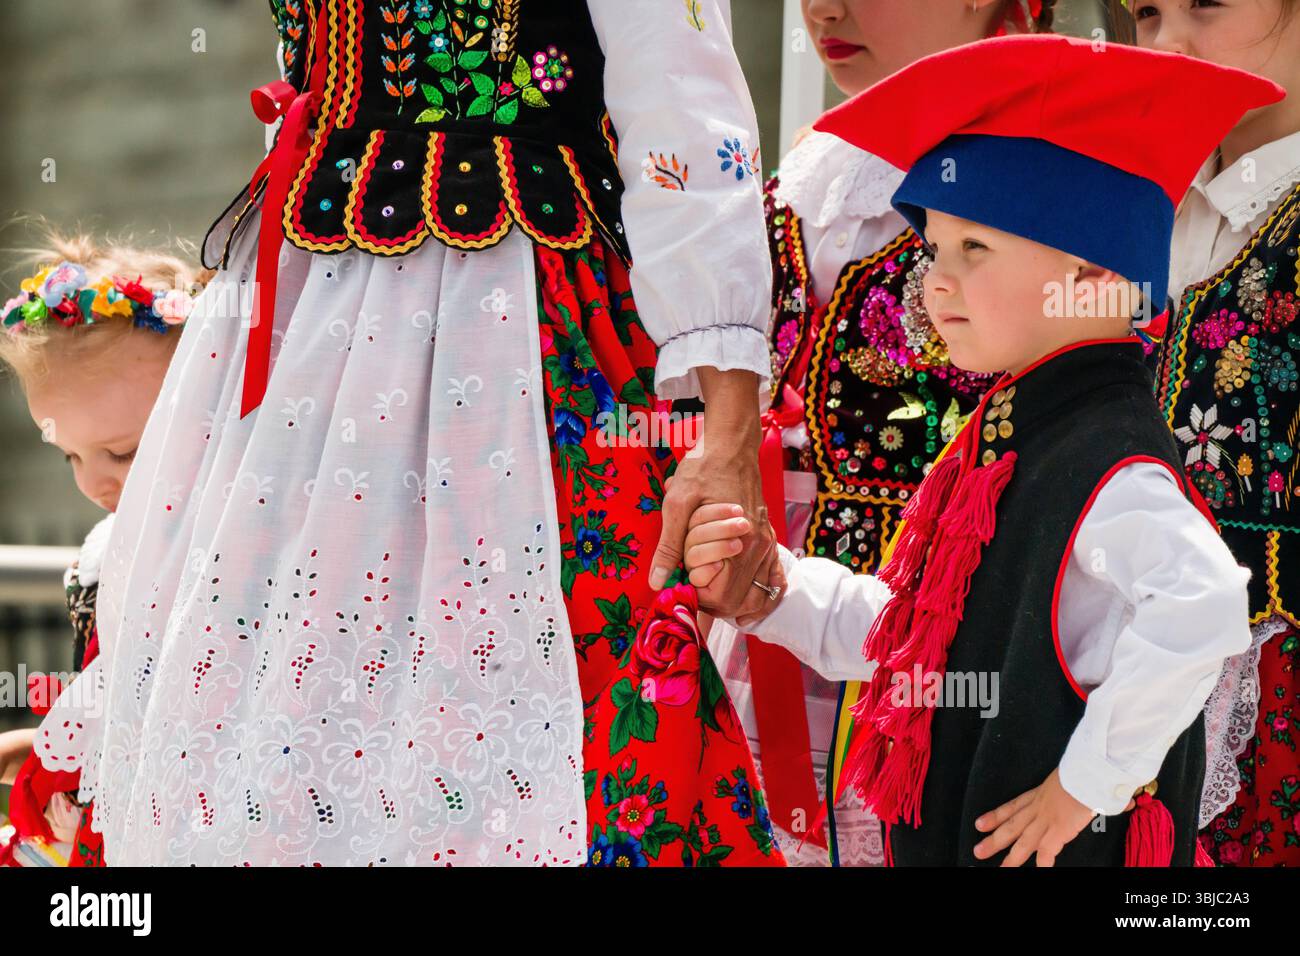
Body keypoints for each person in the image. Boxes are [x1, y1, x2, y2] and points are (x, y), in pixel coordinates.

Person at [86, 0, 783, 866]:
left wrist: (726, 439)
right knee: (282, 712)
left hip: (508, 319)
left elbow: (686, 108)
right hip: (307, 315)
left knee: (542, 694)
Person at [686, 33, 1274, 865]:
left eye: (975, 248)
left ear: (1096, 277)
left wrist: (1084, 788)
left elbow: (1207, 608)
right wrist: (777, 591)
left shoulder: (1111, 463)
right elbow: (918, 637)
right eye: (933, 249)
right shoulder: (1009, 435)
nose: (935, 281)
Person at [711, 0, 1053, 868]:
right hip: (752, 620)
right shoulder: (812, 168)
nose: (826, 9)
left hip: (923, 633)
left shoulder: (1040, 185)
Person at [1132, 0, 1300, 866]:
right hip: (1118, 680)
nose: (1165, 46)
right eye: (1146, 12)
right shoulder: (1131, 211)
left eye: (1202, 5)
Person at [0, 228, 206, 866]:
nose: (92, 482)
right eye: (69, 455)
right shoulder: (111, 552)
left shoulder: (221, 563)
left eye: (123, 452)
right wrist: (39, 744)